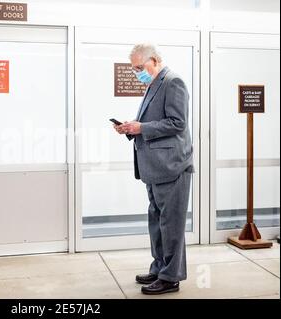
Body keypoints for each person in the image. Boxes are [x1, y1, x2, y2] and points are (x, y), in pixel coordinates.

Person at [113, 43, 194, 295]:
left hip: (172, 166)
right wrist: (130, 128)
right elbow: (150, 122)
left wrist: (142, 128)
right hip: (154, 167)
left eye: (140, 67)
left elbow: (177, 123)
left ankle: (171, 278)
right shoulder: (153, 84)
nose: (138, 72)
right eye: (135, 69)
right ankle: (160, 268)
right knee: (157, 222)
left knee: (171, 224)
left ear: (155, 60)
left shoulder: (173, 82)